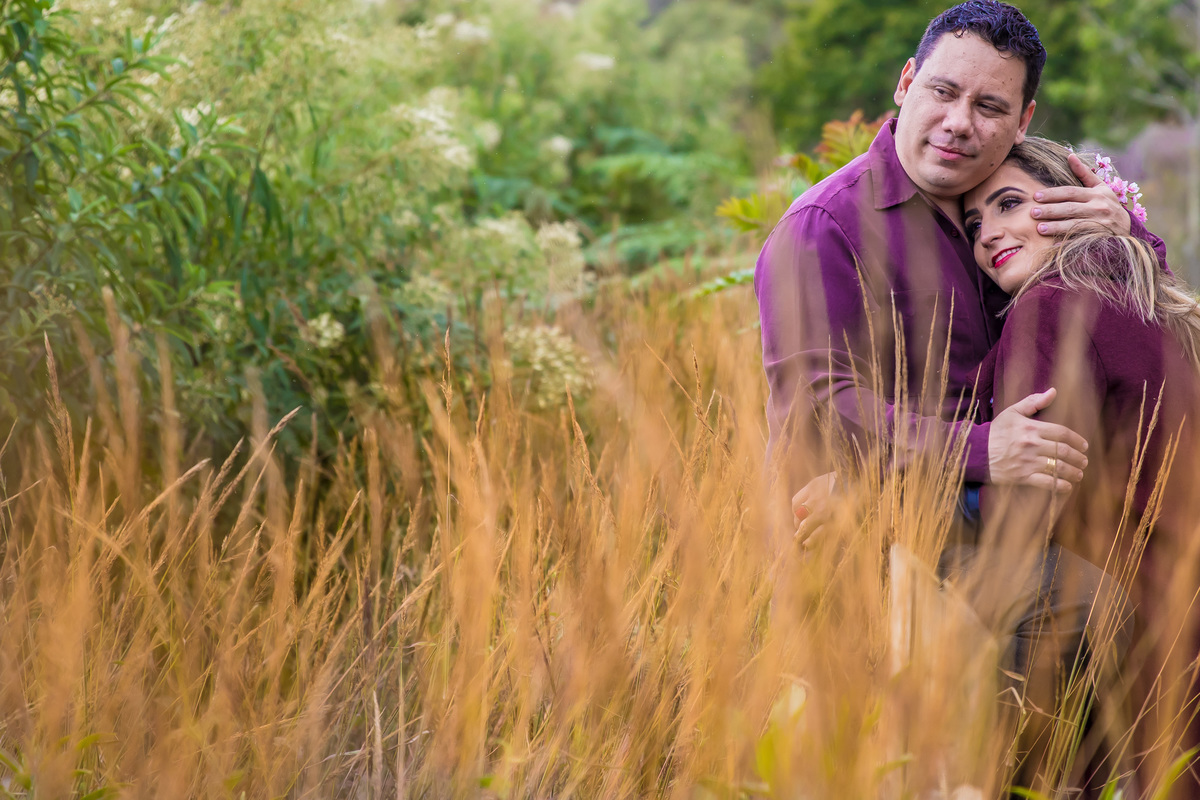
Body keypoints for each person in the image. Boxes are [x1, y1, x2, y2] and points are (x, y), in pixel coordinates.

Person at [755, 0, 1167, 523]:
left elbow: (1143, 329)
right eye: (942, 91)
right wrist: (977, 451)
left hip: (999, 523)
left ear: (1024, 121)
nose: (958, 123)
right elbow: (817, 409)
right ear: (906, 83)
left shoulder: (1012, 212)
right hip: (856, 540)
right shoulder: (825, 225)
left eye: (990, 107)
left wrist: (1126, 237)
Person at [964, 137, 1200, 797]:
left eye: (1008, 203)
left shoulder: (1049, 308)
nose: (989, 235)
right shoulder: (1154, 304)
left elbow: (1031, 503)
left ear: (1074, 202)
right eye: (975, 224)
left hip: (1126, 638)